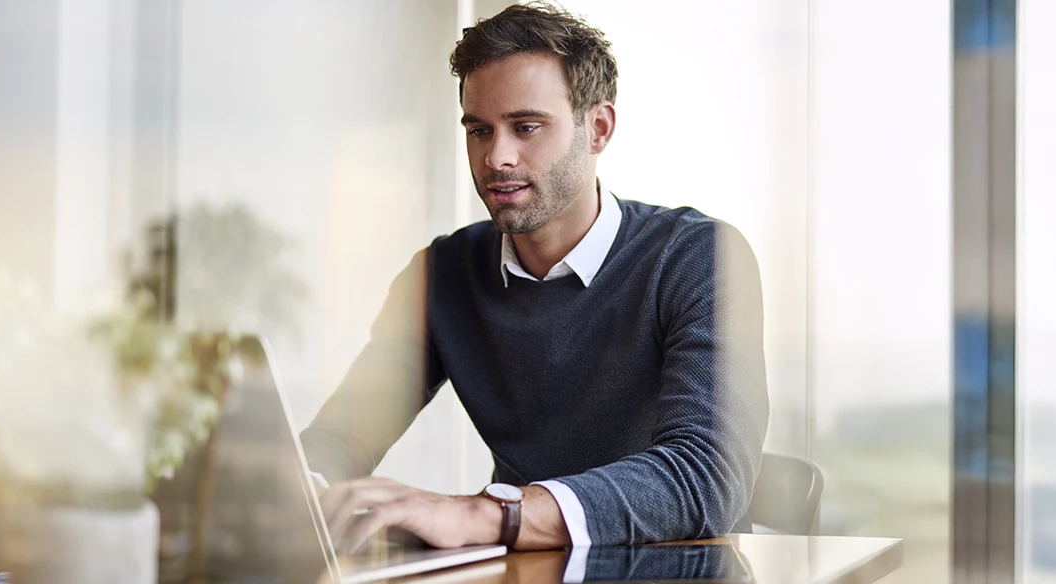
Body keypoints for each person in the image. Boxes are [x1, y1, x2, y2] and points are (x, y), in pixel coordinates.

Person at [299, 1, 768, 552]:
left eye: (526, 127)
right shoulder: (443, 274)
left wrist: (492, 515)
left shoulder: (697, 257)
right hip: (525, 568)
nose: (497, 156)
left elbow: (705, 476)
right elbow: (342, 435)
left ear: (597, 128)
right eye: (479, 130)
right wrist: (300, 489)